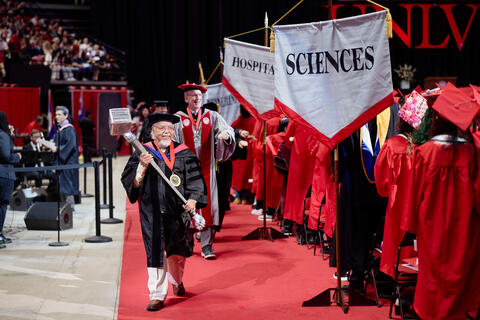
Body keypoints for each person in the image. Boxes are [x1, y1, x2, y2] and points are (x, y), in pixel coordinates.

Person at [403, 84, 480, 320]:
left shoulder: (424, 153)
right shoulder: (473, 154)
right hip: (464, 226)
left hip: (431, 225)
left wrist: (411, 226)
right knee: (460, 268)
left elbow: (412, 195)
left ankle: (430, 313)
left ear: (436, 118)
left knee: (432, 273)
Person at [121, 113, 207, 311]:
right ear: (153, 131)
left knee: (178, 252)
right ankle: (157, 294)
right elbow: (131, 183)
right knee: (155, 251)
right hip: (151, 212)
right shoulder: (142, 152)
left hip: (178, 212)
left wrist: (193, 200)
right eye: (161, 128)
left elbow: (195, 181)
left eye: (170, 128)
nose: (167, 131)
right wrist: (142, 166)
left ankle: (177, 280)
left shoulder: (184, 153)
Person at [174, 83, 235, 259]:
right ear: (186, 98)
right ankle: (188, 241)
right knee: (186, 203)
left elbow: (228, 129)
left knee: (208, 205)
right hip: (186, 171)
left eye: (199, 96)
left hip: (207, 169)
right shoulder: (178, 118)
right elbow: (172, 143)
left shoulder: (212, 116)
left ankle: (207, 245)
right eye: (193, 95)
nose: (196, 99)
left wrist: (226, 136)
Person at [51, 106, 79, 210]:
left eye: (59, 114)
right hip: (63, 162)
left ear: (66, 115)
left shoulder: (69, 129)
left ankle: (70, 208)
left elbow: (70, 145)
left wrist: (57, 149)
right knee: (62, 185)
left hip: (68, 162)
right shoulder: (61, 129)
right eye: (56, 114)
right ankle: (64, 208)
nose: (56, 117)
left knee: (67, 185)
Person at [0, 111, 21, 248]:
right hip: (4, 175)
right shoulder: (2, 135)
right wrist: (18, 157)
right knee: (1, 206)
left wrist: (10, 136)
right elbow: (6, 156)